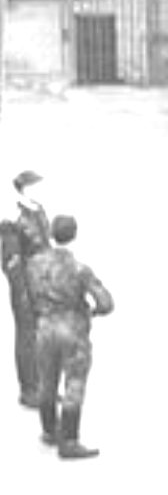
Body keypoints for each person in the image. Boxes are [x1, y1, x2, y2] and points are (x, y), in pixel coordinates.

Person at [26, 215, 114, 460]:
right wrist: (94, 311)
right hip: (72, 329)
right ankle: (69, 440)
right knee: (74, 383)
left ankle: (49, 430)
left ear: (51, 234)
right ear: (74, 235)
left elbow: (29, 296)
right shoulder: (79, 268)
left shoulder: (33, 264)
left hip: (44, 328)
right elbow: (106, 302)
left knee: (47, 380)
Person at [0, 170, 52, 408]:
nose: (41, 189)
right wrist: (21, 292)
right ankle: (29, 390)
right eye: (35, 185)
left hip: (42, 283)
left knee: (42, 336)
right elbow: (10, 261)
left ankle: (42, 386)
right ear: (24, 189)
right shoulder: (12, 219)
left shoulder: (38, 210)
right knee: (27, 336)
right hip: (25, 287)